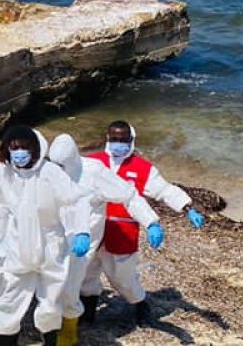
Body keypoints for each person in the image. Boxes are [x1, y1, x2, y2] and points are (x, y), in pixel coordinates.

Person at [0, 125, 91, 346]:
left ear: (35, 149)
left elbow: (76, 200)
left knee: (50, 305)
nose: (19, 153)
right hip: (18, 249)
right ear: (6, 149)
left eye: (24, 148)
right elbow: (0, 211)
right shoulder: (1, 175)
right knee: (7, 301)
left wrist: (81, 230)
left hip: (50, 248)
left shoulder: (50, 173)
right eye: (14, 147)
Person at [46, 133, 162, 346]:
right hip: (57, 235)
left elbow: (128, 195)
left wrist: (151, 222)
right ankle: (84, 314)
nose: (58, 169)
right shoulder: (50, 173)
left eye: (62, 165)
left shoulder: (93, 172)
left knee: (72, 280)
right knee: (71, 281)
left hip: (86, 239)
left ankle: (70, 329)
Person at [83, 120, 204, 326]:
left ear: (131, 140)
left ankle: (140, 303)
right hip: (93, 228)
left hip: (122, 231)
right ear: (107, 139)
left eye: (123, 140)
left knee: (123, 279)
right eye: (114, 139)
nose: (118, 143)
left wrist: (187, 208)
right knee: (85, 272)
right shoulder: (93, 162)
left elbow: (165, 190)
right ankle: (87, 312)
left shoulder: (142, 168)